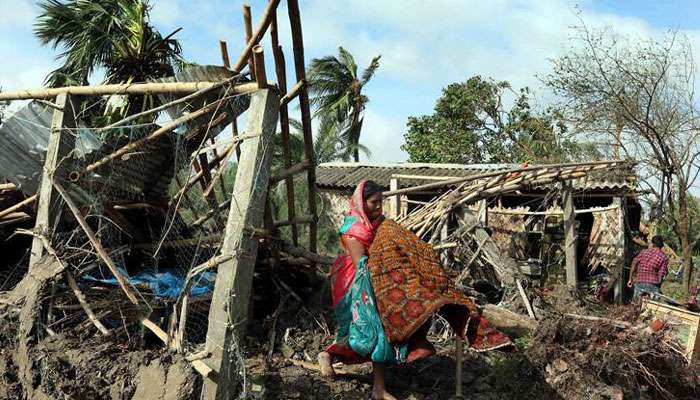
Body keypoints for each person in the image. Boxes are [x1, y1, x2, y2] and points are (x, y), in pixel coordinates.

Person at [318, 179, 511, 400]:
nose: (379, 207)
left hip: (376, 280)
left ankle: (372, 385)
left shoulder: (382, 225)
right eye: (373, 202)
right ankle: (335, 359)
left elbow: (399, 244)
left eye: (381, 202)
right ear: (361, 203)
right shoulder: (353, 231)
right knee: (365, 334)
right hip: (355, 285)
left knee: (377, 336)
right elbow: (363, 265)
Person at [627, 235, 669, 300]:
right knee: (654, 307)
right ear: (661, 246)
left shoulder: (643, 252)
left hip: (640, 282)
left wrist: (630, 279)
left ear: (652, 244)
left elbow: (634, 263)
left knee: (636, 304)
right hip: (653, 283)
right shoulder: (663, 257)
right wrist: (658, 286)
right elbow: (661, 274)